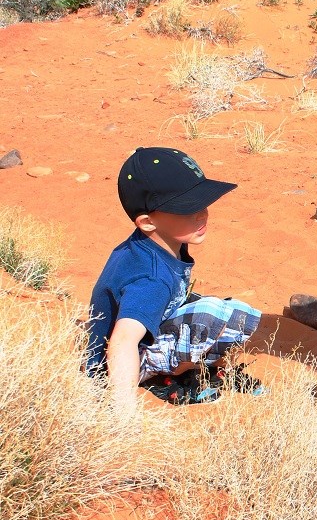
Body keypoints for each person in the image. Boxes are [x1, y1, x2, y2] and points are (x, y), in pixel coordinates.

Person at [87, 147, 262, 410]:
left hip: (132, 342)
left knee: (215, 311)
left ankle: (190, 368)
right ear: (147, 222)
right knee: (215, 316)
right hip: (116, 364)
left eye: (202, 203)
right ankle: (170, 377)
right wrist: (122, 410)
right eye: (186, 209)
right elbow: (123, 340)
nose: (201, 214)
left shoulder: (156, 243)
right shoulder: (152, 278)